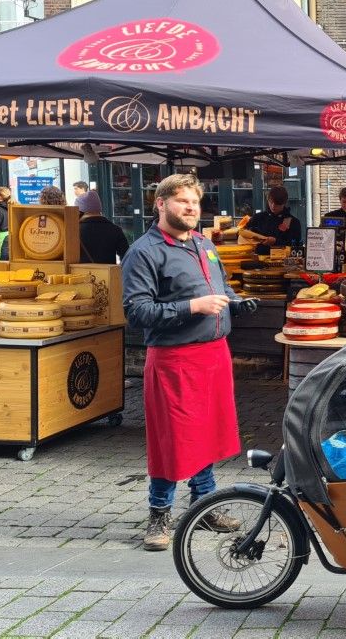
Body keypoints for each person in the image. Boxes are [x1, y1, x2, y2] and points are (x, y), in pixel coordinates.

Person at [121, 173, 255, 551]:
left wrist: (236, 300)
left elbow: (219, 288)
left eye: (195, 202)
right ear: (160, 204)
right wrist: (192, 306)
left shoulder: (203, 244)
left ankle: (204, 505)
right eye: (183, 201)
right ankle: (158, 514)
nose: (192, 208)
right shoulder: (144, 252)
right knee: (172, 439)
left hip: (214, 355)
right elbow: (137, 311)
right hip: (174, 359)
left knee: (207, 435)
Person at [242, 186, 302, 256]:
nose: (273, 206)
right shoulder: (258, 217)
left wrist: (276, 241)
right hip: (258, 258)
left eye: (277, 204)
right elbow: (244, 233)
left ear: (284, 203)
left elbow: (296, 246)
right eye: (271, 202)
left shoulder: (293, 222)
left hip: (282, 260)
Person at [76, 191, 129, 264]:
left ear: (79, 212)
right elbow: (126, 258)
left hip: (79, 274)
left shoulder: (73, 231)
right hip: (107, 274)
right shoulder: (115, 230)